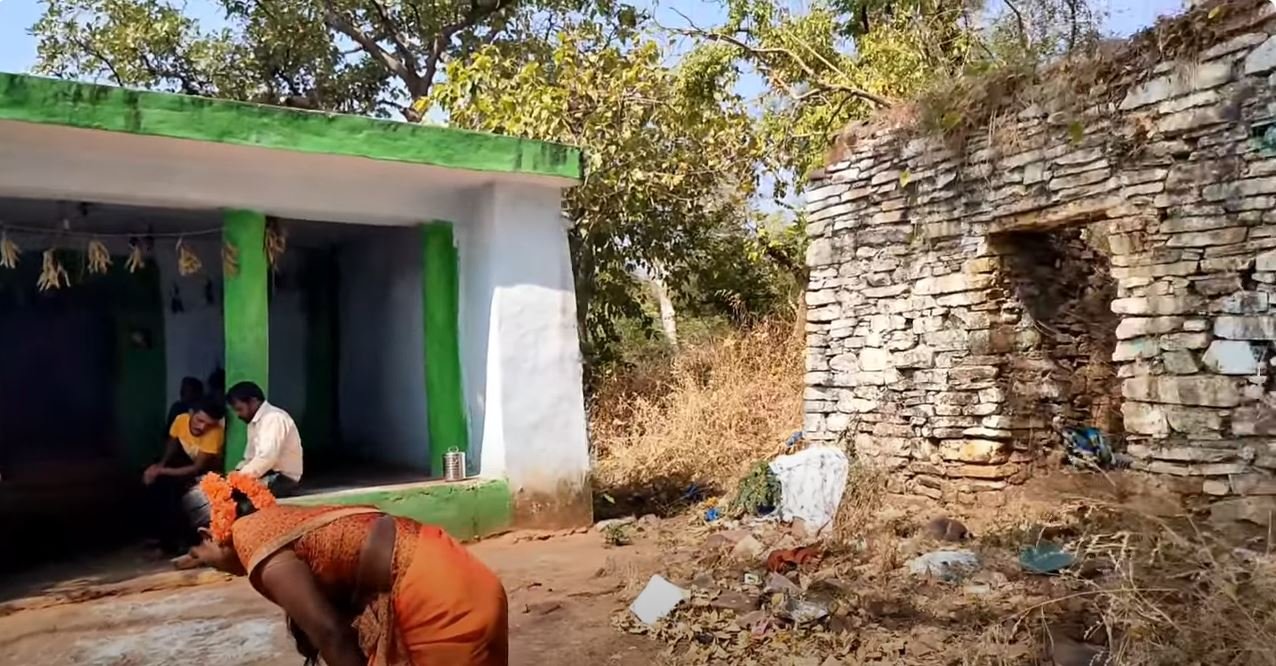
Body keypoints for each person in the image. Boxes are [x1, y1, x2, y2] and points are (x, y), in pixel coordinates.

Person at [186, 473, 509, 665]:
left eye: (199, 554)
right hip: (460, 571)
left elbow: (330, 633)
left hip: (438, 593)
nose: (209, 564)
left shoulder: (252, 541)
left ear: (207, 535)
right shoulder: (277, 520)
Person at [143, 398, 226, 554]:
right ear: (191, 413)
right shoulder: (181, 420)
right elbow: (173, 443)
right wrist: (161, 464)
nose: (202, 427)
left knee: (175, 494)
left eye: (208, 424)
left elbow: (196, 468)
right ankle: (158, 536)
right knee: (153, 483)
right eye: (199, 420)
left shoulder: (215, 433)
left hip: (204, 473)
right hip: (183, 465)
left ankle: (179, 543)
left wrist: (160, 471)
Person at [226, 381, 303, 496]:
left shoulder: (273, 418)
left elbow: (266, 458)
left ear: (253, 401)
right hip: (265, 474)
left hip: (282, 479)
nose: (238, 415)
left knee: (237, 497)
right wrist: (234, 475)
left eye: (240, 409)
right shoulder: (254, 422)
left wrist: (239, 478)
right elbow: (250, 458)